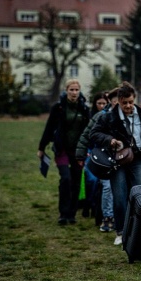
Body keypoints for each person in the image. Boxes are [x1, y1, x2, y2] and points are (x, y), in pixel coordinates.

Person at [90, 82, 141, 245]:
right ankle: (121, 231)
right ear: (119, 101)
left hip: (137, 159)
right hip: (118, 160)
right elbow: (94, 133)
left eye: (131, 102)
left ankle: (139, 228)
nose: (128, 106)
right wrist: (110, 140)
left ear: (134, 99)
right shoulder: (108, 117)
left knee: (139, 194)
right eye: (124, 103)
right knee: (120, 196)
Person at [37, 79, 91, 225]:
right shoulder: (59, 107)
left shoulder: (84, 109)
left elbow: (89, 131)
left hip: (78, 150)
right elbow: (49, 128)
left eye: (76, 90)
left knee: (76, 181)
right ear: (66, 90)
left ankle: (72, 214)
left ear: (79, 91)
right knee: (65, 179)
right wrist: (41, 147)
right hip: (62, 149)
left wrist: (88, 149)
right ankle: (63, 213)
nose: (74, 93)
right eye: (71, 90)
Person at [76, 89, 118, 232]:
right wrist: (81, 154)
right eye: (115, 100)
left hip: (124, 158)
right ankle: (107, 217)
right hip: (104, 157)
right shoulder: (101, 116)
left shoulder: (131, 116)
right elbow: (87, 135)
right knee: (107, 187)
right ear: (110, 101)